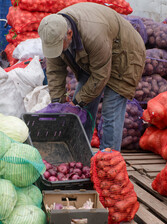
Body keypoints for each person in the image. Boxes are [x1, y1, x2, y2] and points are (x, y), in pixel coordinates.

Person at [38, 2, 146, 151]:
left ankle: (109, 161)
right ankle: (80, 154)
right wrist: (58, 102)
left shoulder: (93, 35)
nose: (55, 50)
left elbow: (100, 75)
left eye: (58, 46)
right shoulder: (53, 32)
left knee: (110, 111)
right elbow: (55, 71)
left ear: (69, 34)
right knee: (82, 109)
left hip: (125, 54)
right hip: (94, 57)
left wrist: (76, 102)